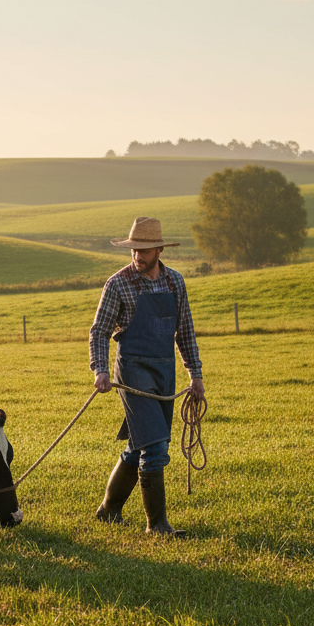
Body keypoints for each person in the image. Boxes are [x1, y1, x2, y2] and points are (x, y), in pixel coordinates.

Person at [89, 216, 205, 536]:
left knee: (141, 445)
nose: (137, 256)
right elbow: (99, 332)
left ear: (158, 249)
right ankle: (158, 526)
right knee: (155, 446)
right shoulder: (117, 283)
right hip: (132, 369)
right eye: (133, 250)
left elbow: (185, 333)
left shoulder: (175, 282)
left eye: (144, 250)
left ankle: (108, 510)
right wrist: (100, 369)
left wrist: (195, 376)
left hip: (164, 369)